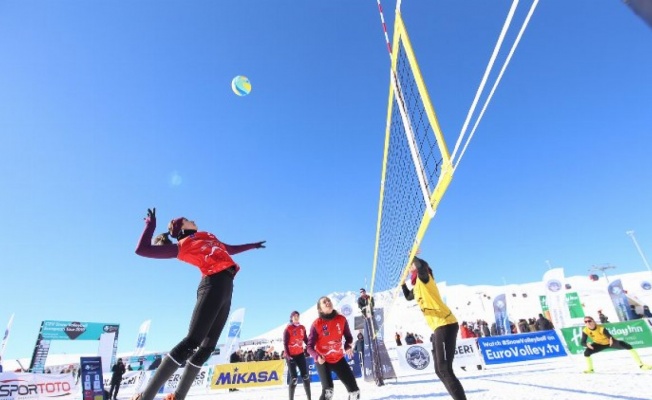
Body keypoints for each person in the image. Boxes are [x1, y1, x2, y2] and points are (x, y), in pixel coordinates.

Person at [132, 208, 265, 400]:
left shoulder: (207, 236)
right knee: (191, 342)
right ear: (180, 228)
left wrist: (252, 245)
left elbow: (229, 248)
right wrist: (150, 225)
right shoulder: (184, 245)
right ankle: (146, 396)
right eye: (186, 219)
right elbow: (142, 250)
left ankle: (178, 397)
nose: (192, 219)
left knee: (206, 349)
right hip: (211, 285)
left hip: (227, 287)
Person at [401, 256, 467, 400]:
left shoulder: (425, 279)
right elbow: (407, 297)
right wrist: (402, 284)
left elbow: (421, 267)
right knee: (439, 370)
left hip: (445, 323)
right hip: (439, 326)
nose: (410, 267)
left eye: (411, 266)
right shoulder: (417, 287)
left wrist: (412, 255)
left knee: (445, 369)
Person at [307, 296, 360, 400]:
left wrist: (347, 346)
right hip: (323, 360)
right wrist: (317, 356)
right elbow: (309, 347)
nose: (328, 302)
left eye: (329, 300)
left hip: (338, 359)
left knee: (354, 392)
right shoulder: (316, 324)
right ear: (320, 309)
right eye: (324, 302)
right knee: (328, 392)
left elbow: (348, 337)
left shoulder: (341, 319)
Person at [581, 315, 652, 373]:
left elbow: (609, 335)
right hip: (599, 344)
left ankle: (641, 365)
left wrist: (611, 339)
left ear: (593, 321)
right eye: (586, 322)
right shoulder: (585, 330)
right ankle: (590, 369)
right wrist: (586, 344)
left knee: (628, 346)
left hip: (610, 342)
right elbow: (582, 342)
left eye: (589, 321)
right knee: (586, 353)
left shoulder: (601, 328)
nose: (588, 323)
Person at [283, 311, 312, 400]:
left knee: (305, 376)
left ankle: (309, 398)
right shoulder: (288, 329)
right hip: (290, 356)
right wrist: (288, 356)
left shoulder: (302, 328)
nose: (296, 317)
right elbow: (285, 343)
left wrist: (311, 347)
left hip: (300, 354)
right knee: (294, 378)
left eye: (297, 316)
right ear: (291, 318)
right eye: (294, 316)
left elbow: (306, 340)